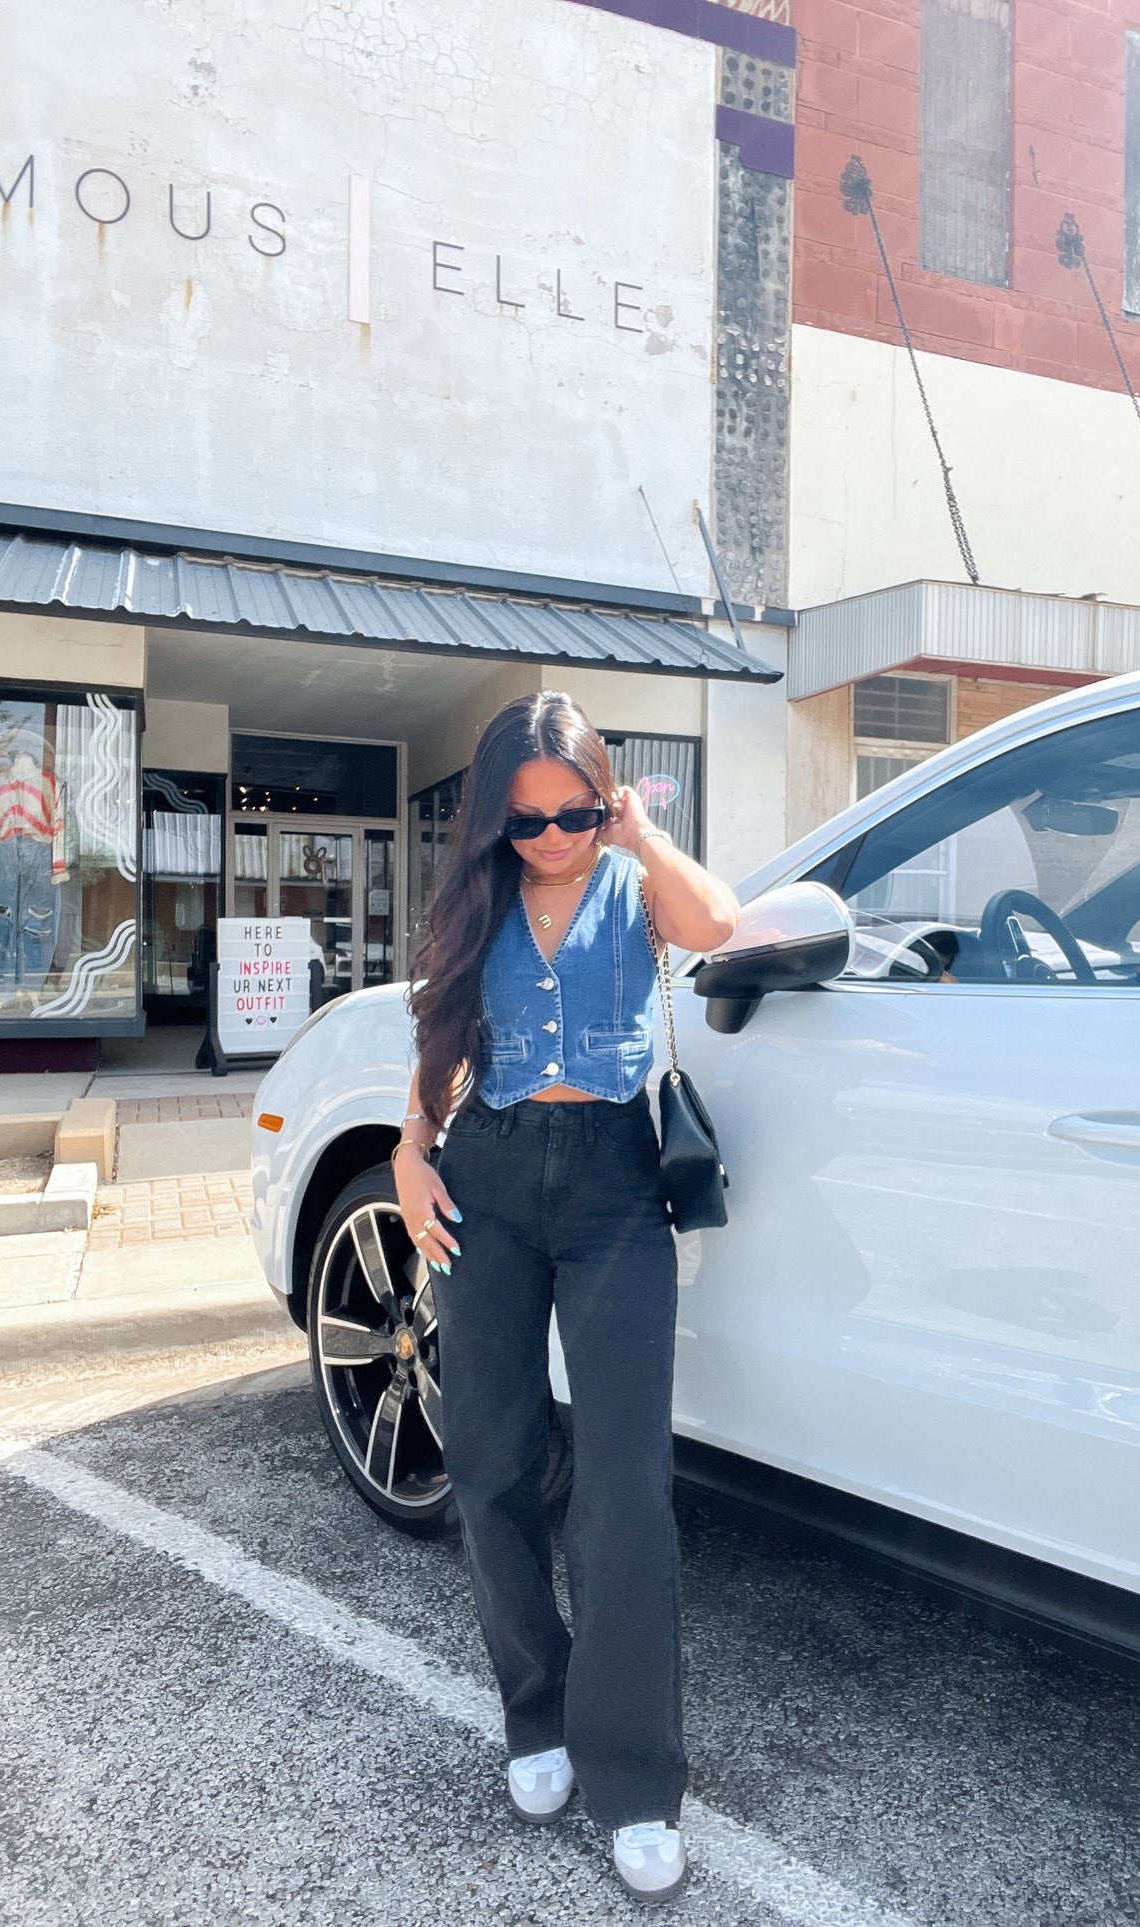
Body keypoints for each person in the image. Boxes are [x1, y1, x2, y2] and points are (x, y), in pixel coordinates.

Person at [393, 691, 739, 1903]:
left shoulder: (628, 884)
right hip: (483, 1181)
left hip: (609, 1187)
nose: (549, 835)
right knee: (488, 1463)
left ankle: (634, 1775)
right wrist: (406, 1147)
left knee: (623, 1488)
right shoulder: (477, 898)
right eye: (525, 817)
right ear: (494, 815)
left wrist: (637, 838)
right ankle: (532, 1713)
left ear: (605, 798)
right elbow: (439, 1040)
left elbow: (719, 920)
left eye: (574, 812)